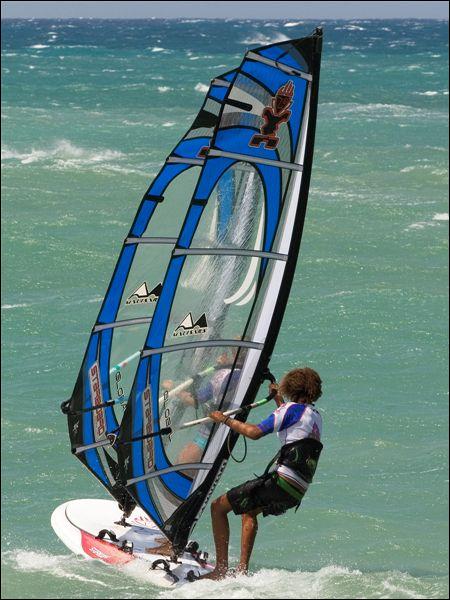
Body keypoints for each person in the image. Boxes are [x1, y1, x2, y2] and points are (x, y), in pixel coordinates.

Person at [202, 366, 324, 580]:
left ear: (292, 387)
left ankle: (220, 570)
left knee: (218, 507)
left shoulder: (289, 410)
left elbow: (255, 432)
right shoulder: (315, 416)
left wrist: (225, 420)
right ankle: (242, 571)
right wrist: (278, 399)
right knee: (249, 511)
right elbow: (291, 421)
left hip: (281, 481)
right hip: (297, 490)